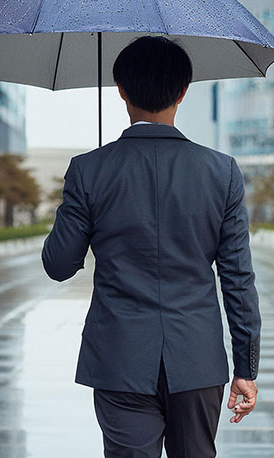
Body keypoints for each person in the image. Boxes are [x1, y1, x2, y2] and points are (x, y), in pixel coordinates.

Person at [41, 36, 261, 458]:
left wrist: (81, 195)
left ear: (121, 90)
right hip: (197, 359)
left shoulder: (88, 169)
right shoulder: (222, 172)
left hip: (119, 357)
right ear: (183, 91)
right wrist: (246, 369)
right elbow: (238, 280)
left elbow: (58, 264)